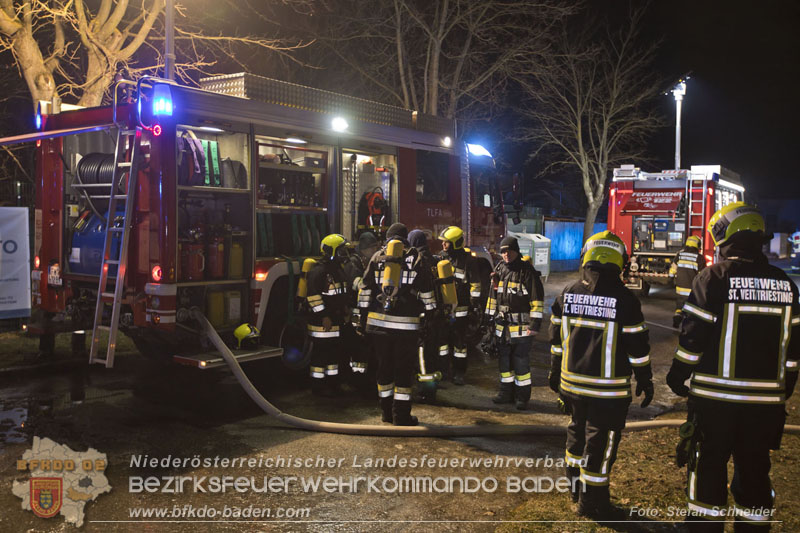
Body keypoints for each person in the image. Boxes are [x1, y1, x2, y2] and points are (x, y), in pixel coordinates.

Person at [667, 202, 799, 532]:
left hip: (715, 403)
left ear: (726, 237)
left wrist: (677, 375)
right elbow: (794, 352)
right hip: (765, 407)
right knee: (755, 469)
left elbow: (693, 338)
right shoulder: (786, 285)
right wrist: (783, 391)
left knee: (708, 467)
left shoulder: (713, 278)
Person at [548, 230, 653, 520]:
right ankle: (592, 504)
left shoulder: (567, 293)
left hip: (571, 385)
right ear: (619, 261)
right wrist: (645, 380)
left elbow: (556, 340)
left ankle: (574, 490)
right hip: (607, 392)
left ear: (587, 257)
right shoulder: (626, 300)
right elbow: (638, 349)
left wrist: (554, 373)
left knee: (576, 434)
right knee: (601, 445)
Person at [358, 223, 437, 426]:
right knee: (403, 372)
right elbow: (427, 292)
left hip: (378, 326)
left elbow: (365, 290)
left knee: (384, 369)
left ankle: (386, 412)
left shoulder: (377, 257)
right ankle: (401, 416)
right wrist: (430, 317)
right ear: (405, 238)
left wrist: (362, 319)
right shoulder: (415, 258)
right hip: (406, 328)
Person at [485, 236, 544, 410]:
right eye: (503, 251)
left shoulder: (527, 272)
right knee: (504, 362)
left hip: (522, 328)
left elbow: (537, 301)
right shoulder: (499, 269)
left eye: (508, 251)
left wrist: (534, 325)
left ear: (516, 251)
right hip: (503, 327)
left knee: (520, 363)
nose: (505, 254)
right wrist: (488, 319)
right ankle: (505, 393)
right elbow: (492, 297)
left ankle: (522, 397)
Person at [305, 234, 351, 397]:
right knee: (320, 355)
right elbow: (313, 297)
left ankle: (333, 384)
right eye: (341, 250)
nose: (344, 253)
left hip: (336, 320)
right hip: (322, 323)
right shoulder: (319, 271)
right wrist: (324, 316)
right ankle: (317, 387)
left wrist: (345, 308)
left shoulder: (338, 270)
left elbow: (341, 292)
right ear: (330, 251)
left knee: (334, 354)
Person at [436, 226, 482, 385]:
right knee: (442, 342)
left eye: (446, 243)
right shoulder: (440, 258)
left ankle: (459, 373)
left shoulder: (468, 260)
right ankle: (442, 371)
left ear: (456, 243)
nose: (443, 246)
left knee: (459, 344)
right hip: (444, 309)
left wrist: (474, 304)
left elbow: (475, 284)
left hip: (461, 309)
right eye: (443, 243)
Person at [408, 229, 443, 403]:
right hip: (436, 315)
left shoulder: (418, 262)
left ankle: (426, 392)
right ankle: (433, 387)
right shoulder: (435, 260)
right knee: (432, 354)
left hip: (424, 315)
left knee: (423, 356)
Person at [343, 232, 380, 393]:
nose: (376, 250)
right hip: (355, 314)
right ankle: (357, 381)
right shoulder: (353, 264)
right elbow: (358, 284)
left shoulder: (364, 261)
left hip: (363, 312)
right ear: (365, 249)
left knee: (366, 348)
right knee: (359, 349)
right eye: (374, 247)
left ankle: (364, 380)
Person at [671, 235, 706, 328]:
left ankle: (677, 317)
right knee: (691, 308)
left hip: (680, 288)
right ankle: (688, 325)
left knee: (679, 306)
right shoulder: (699, 258)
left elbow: (673, 269)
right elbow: (702, 275)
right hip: (692, 289)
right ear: (697, 245)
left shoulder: (679, 254)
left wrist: (670, 278)